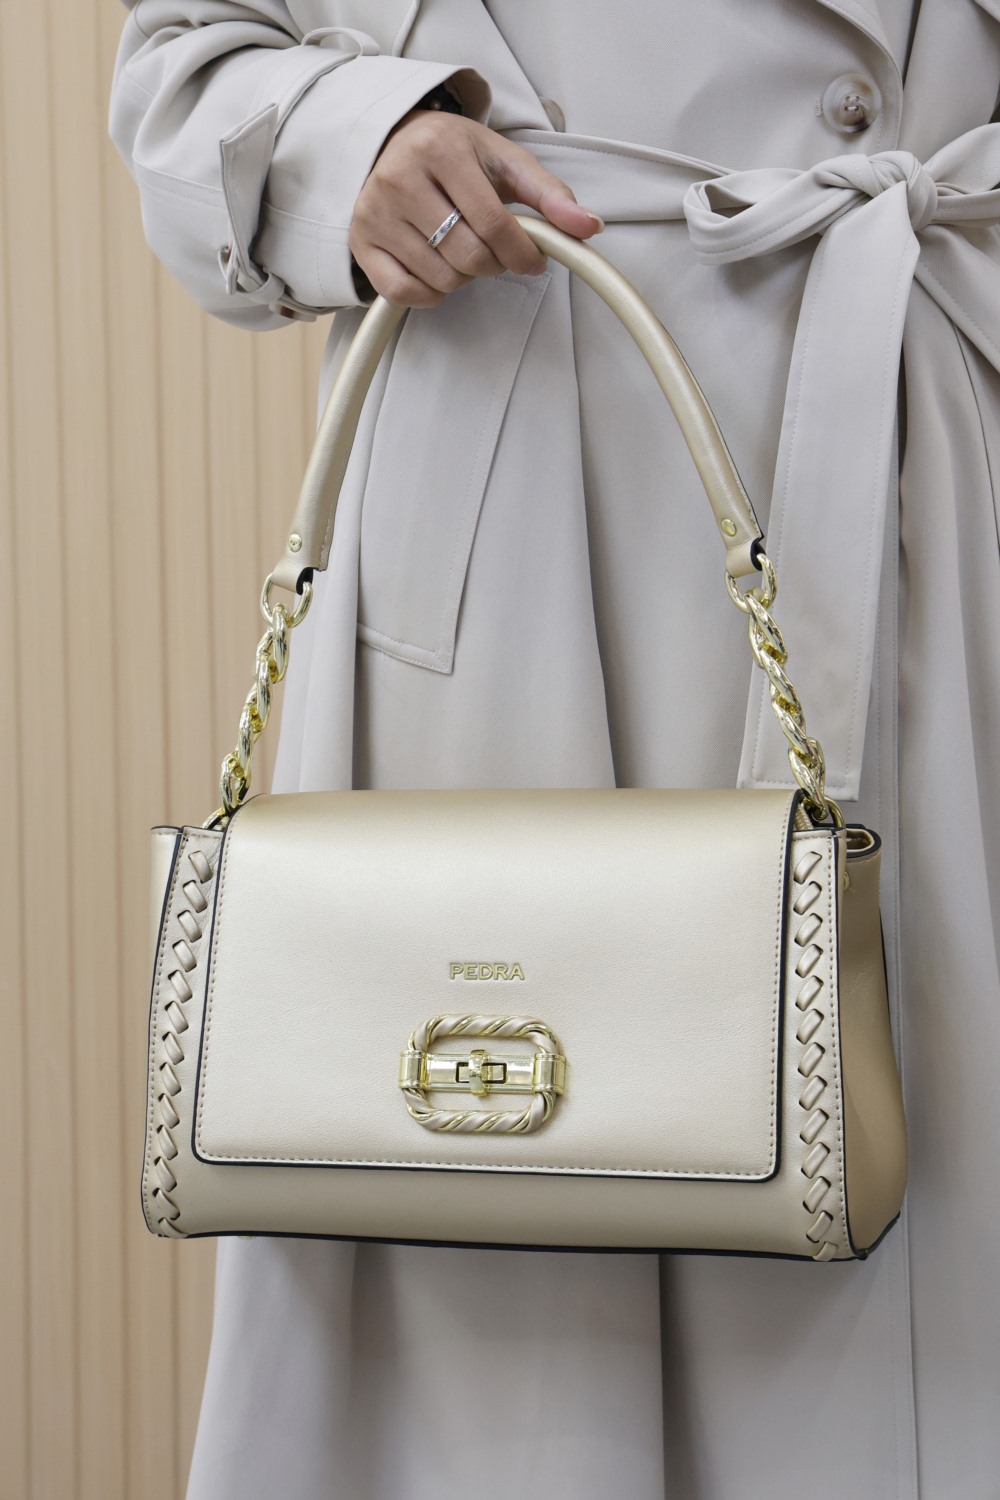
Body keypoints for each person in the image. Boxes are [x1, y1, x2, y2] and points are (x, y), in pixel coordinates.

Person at [109, 3, 1000, 1496]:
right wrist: (354, 143)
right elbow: (183, 67)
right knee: (506, 1191)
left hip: (919, 459)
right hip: (517, 486)